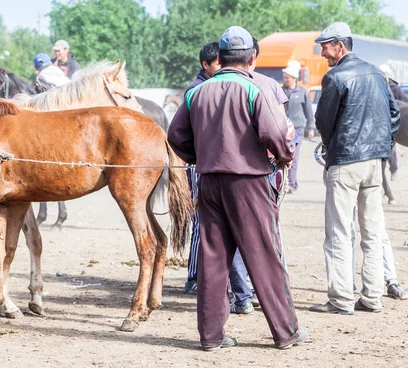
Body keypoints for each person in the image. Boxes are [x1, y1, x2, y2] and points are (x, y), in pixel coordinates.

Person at [168, 25, 307, 351]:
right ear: (252, 58)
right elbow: (276, 136)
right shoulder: (253, 90)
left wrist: (200, 156)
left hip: (210, 181)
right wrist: (285, 158)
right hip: (248, 183)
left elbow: (176, 137)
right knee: (265, 255)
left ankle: (211, 337)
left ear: (220, 56)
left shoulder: (195, 91)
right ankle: (285, 332)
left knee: (213, 259)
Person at [309, 22, 400, 315]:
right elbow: (394, 114)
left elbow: (323, 122)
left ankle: (340, 300)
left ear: (340, 45)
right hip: (375, 163)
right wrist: (381, 144)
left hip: (345, 162)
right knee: (372, 233)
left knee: (339, 232)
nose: (322, 51)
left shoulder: (335, 77)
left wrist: (331, 144)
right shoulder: (376, 73)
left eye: (325, 45)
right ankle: (372, 297)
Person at [184, 42, 220, 295]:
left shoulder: (212, 87)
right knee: (199, 220)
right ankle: (194, 275)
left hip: (210, 162)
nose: (220, 67)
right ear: (205, 65)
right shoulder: (196, 90)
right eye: (217, 63)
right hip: (199, 164)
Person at [281, 60, 315, 192]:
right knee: (282, 156)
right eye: (284, 77)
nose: (285, 79)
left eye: (287, 77)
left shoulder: (303, 92)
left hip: (297, 129)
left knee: (293, 156)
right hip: (283, 128)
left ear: (294, 78)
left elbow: (309, 112)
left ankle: (291, 183)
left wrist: (310, 127)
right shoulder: (280, 90)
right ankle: (285, 182)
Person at [379, 64, 408, 181]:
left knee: (393, 151)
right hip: (385, 122)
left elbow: (405, 101)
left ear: (388, 75)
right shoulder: (378, 87)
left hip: (397, 121)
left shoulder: (394, 88)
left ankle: (394, 169)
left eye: (384, 74)